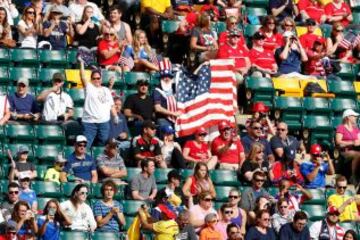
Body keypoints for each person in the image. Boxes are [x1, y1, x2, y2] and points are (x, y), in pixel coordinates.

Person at [79, 59, 117, 148]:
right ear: (91, 79)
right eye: (94, 78)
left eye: (98, 78)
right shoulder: (89, 87)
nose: (96, 80)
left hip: (103, 122)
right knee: (86, 145)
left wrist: (115, 116)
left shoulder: (106, 90)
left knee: (103, 143)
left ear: (101, 79)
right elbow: (82, 76)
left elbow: (111, 105)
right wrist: (81, 63)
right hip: (89, 122)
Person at [335, 109, 360, 184]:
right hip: (344, 152)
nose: (356, 118)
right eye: (354, 116)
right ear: (348, 117)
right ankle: (353, 176)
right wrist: (352, 143)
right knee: (358, 154)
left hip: (355, 150)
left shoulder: (356, 130)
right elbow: (338, 142)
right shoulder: (341, 128)